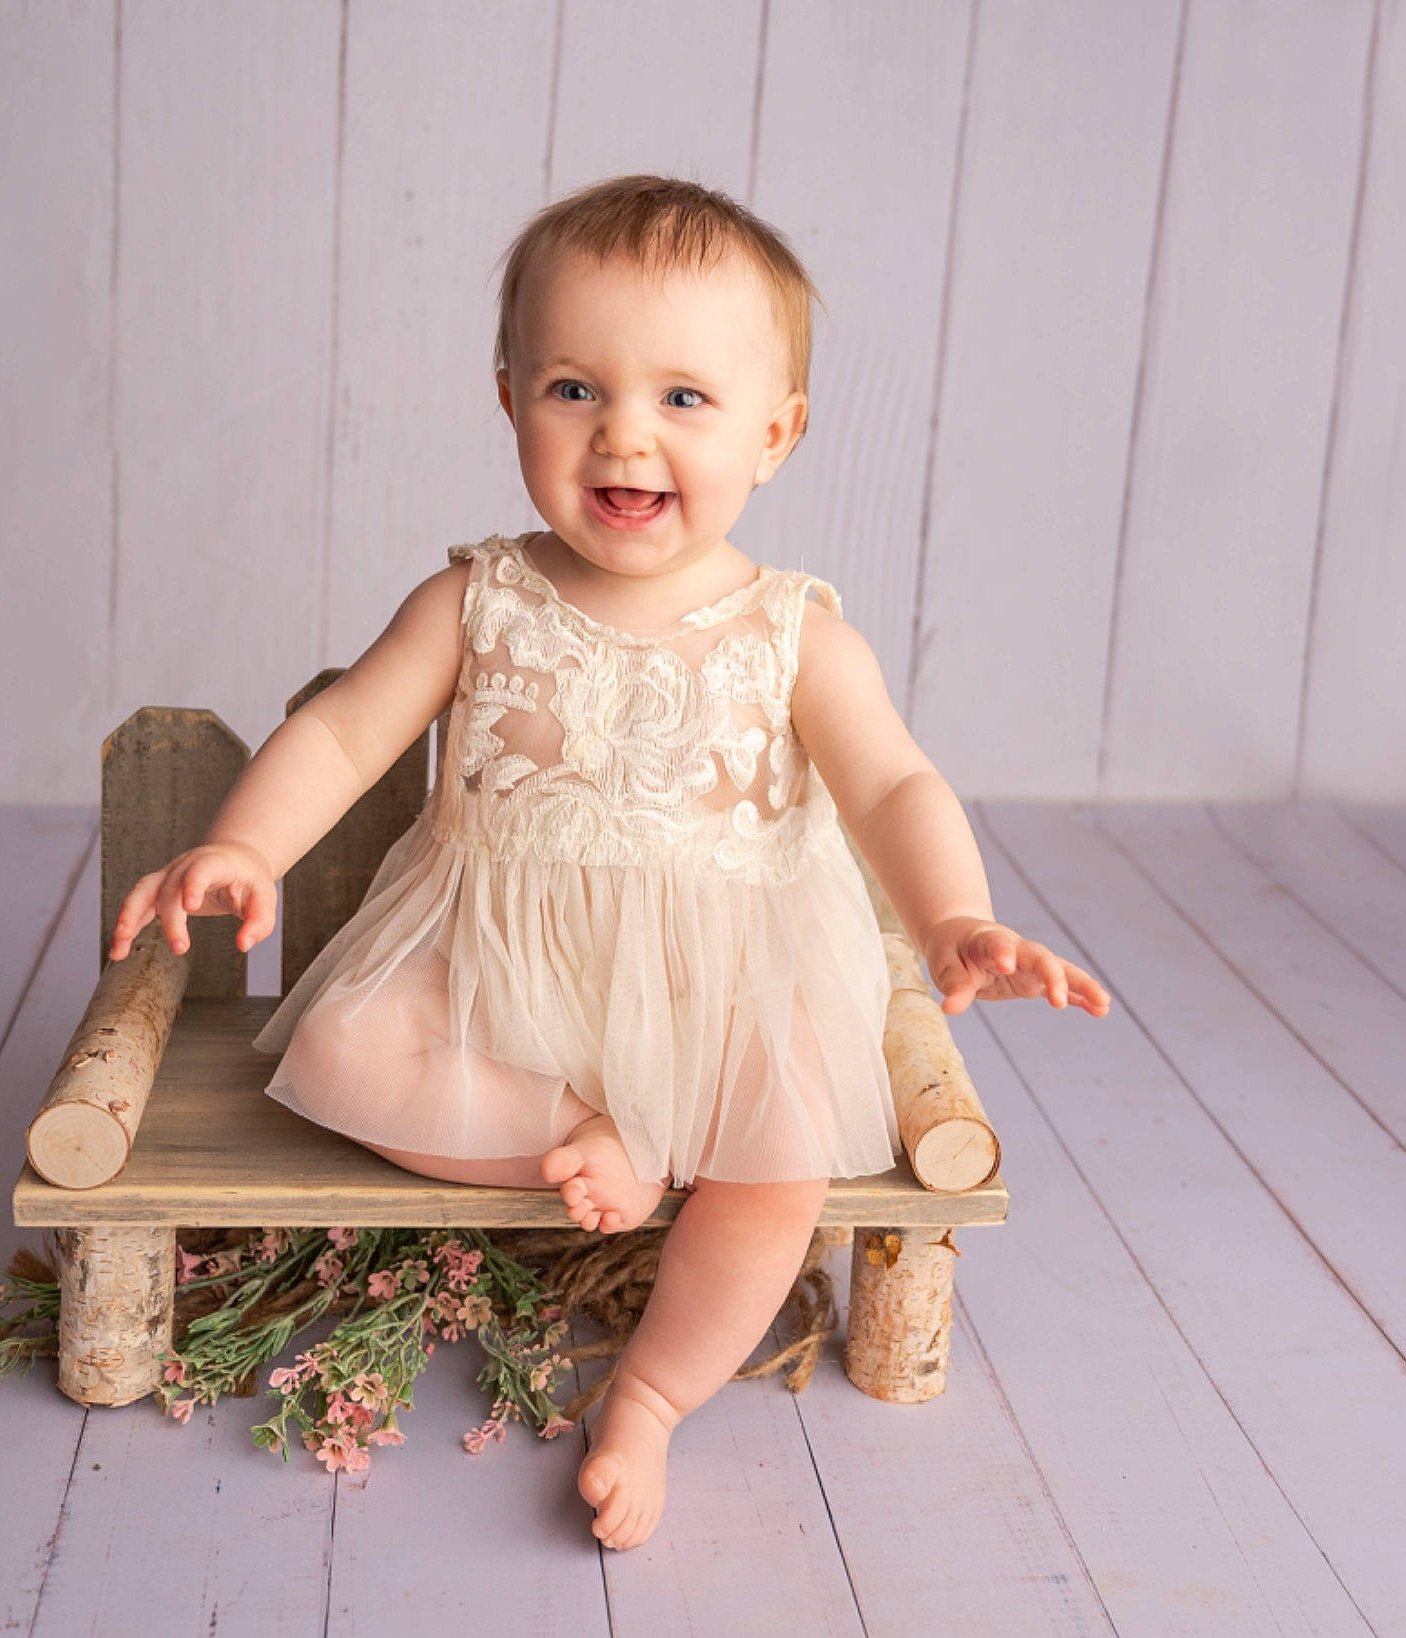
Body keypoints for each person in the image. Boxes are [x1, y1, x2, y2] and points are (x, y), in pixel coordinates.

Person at [108, 174, 1110, 1551]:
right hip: (500, 969)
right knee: (344, 1057)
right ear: (510, 393)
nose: (624, 434)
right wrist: (244, 838)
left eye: (683, 400)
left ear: (778, 431)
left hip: (724, 985)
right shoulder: (478, 598)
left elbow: (892, 778)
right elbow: (342, 731)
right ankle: (595, 1132)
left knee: (783, 1163)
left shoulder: (795, 632)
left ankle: (650, 1392)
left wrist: (956, 915)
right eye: (577, 387)